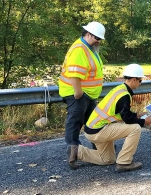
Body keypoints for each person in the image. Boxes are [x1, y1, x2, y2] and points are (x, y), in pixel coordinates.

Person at [66, 64, 151, 172]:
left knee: (108, 159)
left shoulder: (120, 89)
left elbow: (121, 112)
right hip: (99, 130)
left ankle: (77, 151)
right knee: (135, 128)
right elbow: (127, 119)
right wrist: (144, 121)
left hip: (95, 128)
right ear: (134, 79)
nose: (140, 83)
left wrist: (137, 115)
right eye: (140, 80)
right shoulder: (124, 95)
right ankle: (124, 162)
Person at [58, 21, 105, 151]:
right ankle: (73, 150)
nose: (98, 41)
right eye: (97, 38)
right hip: (77, 93)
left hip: (87, 93)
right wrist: (78, 93)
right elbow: (74, 74)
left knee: (94, 121)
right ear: (88, 34)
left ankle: (101, 147)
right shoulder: (80, 49)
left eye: (100, 39)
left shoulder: (88, 48)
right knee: (75, 121)